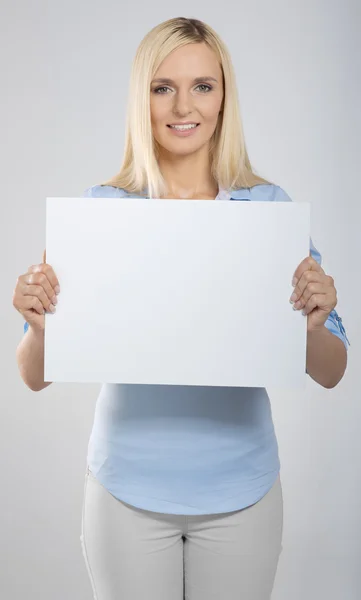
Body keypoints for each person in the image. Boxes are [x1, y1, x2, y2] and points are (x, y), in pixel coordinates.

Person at [13, 16, 350, 600]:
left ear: (224, 98)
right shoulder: (101, 211)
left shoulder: (269, 209)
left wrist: (314, 324)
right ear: (141, 98)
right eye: (162, 87)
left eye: (203, 86)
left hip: (242, 491)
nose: (182, 106)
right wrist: (39, 323)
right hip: (126, 492)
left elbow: (332, 369)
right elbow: (34, 375)